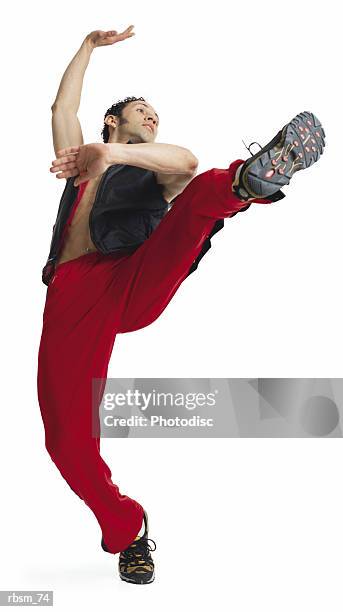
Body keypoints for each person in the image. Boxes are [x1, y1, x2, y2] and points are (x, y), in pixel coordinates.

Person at [37, 26, 326, 586]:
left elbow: (187, 161)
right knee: (64, 442)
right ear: (110, 120)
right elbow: (61, 104)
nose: (152, 119)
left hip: (132, 277)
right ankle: (127, 528)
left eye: (154, 116)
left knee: (199, 198)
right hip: (72, 295)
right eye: (141, 111)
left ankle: (250, 181)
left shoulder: (150, 165)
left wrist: (115, 153)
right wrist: (88, 48)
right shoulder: (77, 163)